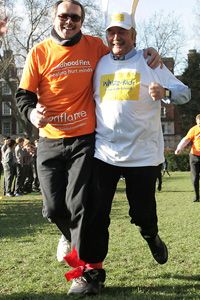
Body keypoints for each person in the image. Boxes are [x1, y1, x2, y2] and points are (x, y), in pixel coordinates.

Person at [16, 0, 162, 291]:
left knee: (81, 204)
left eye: (75, 17)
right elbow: (24, 96)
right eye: (63, 16)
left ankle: (89, 275)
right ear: (53, 17)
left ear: (82, 21)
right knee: (54, 209)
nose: (69, 22)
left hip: (85, 139)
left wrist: (150, 53)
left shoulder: (96, 47)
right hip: (50, 139)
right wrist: (33, 113)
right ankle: (70, 235)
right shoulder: (39, 52)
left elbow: (124, 51)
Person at [64, 10, 191, 295]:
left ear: (133, 36)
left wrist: (166, 93)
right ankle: (94, 273)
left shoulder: (149, 62)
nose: (116, 37)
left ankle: (151, 235)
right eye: (112, 32)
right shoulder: (99, 64)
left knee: (142, 213)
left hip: (143, 157)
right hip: (104, 152)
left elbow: (185, 93)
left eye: (123, 32)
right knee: (97, 214)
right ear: (107, 36)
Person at [175, 114, 200, 202]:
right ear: (197, 122)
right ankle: (197, 196)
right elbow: (186, 139)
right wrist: (179, 148)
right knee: (195, 177)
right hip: (194, 156)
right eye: (199, 124)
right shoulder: (193, 129)